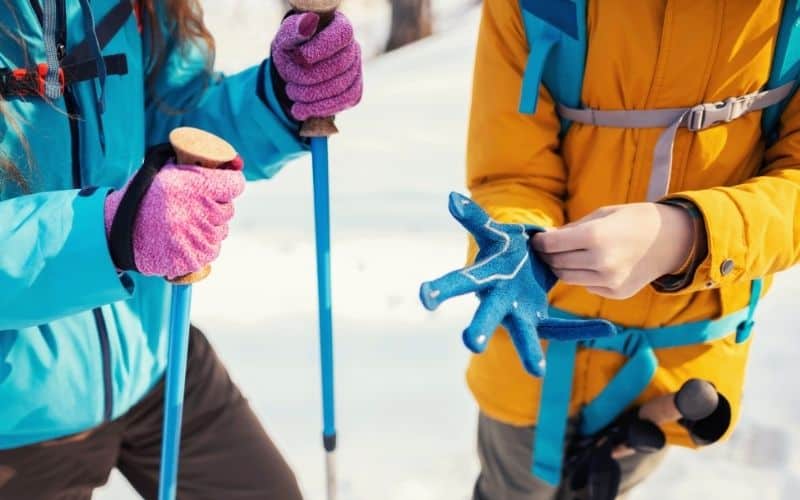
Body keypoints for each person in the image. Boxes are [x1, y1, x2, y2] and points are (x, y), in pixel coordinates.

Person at [0, 1, 361, 499]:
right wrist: (113, 230)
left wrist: (278, 97)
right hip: (13, 420)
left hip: (152, 351)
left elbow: (179, 120)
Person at [449, 0, 800, 498]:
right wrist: (519, 238)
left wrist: (689, 236)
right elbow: (512, 172)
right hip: (534, 348)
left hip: (670, 375)